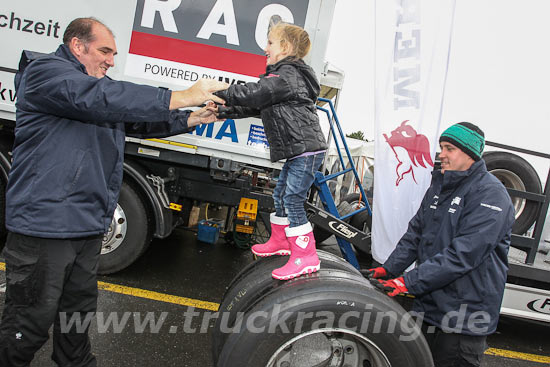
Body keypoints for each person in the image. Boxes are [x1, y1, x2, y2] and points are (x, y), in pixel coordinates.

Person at [0, 17, 228, 366]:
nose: (111, 60)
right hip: (46, 226)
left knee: (76, 321)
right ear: (77, 46)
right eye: (105, 51)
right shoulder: (45, 73)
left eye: (114, 54)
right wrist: (182, 94)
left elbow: (133, 117)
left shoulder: (95, 89)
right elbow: (99, 99)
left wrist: (192, 117)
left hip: (87, 226)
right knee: (27, 325)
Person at [367, 122, 515, 367]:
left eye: (449, 149)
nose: (441, 154)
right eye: (441, 147)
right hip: (428, 309)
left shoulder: (491, 195)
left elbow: (463, 254)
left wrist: (408, 281)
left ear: (470, 154)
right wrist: (389, 269)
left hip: (464, 319)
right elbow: (415, 234)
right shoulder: (439, 186)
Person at [214, 22, 327, 280]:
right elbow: (256, 107)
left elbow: (255, 94)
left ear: (285, 47)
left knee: (292, 199)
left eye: (270, 43)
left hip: (306, 150)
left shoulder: (287, 75)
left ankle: (306, 255)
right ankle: (281, 241)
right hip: (299, 150)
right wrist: (223, 111)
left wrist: (219, 89)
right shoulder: (284, 78)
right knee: (280, 195)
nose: (266, 48)